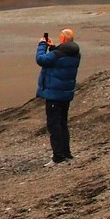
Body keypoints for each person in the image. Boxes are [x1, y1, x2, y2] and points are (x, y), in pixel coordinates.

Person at [34, 28, 81, 164]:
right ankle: (66, 153)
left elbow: (41, 60)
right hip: (65, 93)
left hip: (55, 94)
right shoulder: (75, 53)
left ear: (64, 39)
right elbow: (59, 58)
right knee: (62, 123)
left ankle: (58, 156)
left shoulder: (59, 54)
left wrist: (42, 45)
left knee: (54, 125)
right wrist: (53, 47)